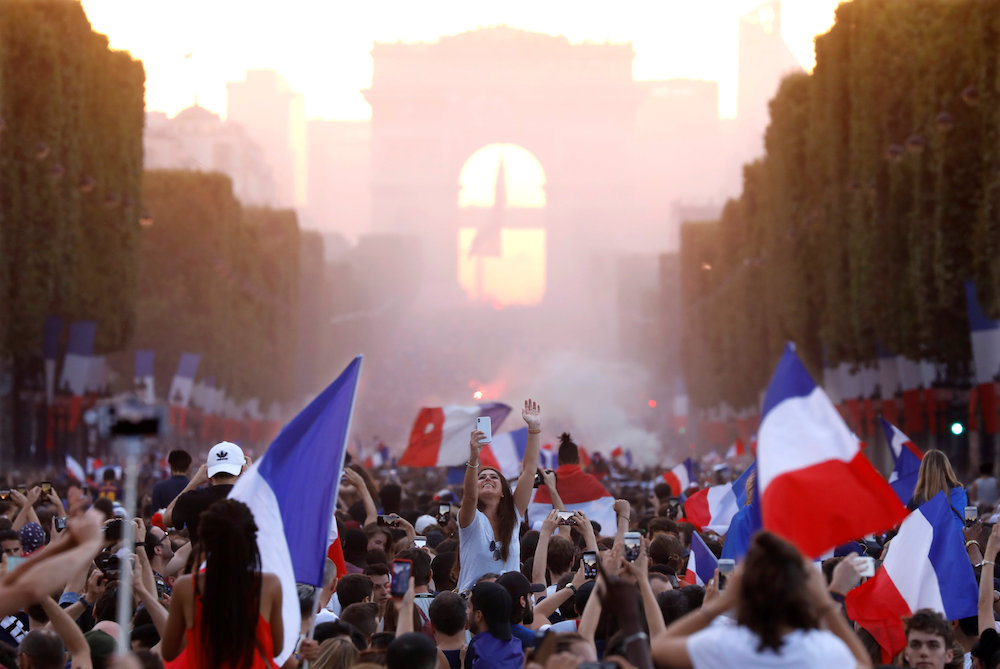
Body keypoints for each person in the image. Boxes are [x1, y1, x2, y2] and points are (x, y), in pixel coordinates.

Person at [651, 530, 872, 668]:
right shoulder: (823, 651)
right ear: (804, 591)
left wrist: (722, 602)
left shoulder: (723, 646)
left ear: (743, 590)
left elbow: (659, 646)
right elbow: (863, 663)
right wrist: (826, 599)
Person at [161, 499, 283, 668]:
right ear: (251, 540)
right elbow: (276, 649)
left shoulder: (186, 586)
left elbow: (168, 652)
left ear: (205, 541)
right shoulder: (270, 585)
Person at [457, 400, 542, 593]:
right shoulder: (470, 519)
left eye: (494, 477)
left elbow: (529, 471)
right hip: (475, 604)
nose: (487, 478)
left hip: (510, 604)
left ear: (504, 492)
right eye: (481, 477)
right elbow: (469, 497)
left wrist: (534, 430)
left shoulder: (513, 513)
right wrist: (473, 458)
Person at [162, 442, 246, 538]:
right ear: (242, 471)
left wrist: (194, 482)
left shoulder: (191, 499)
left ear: (207, 473)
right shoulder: (251, 499)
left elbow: (166, 519)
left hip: (201, 552)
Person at [465, 582, 524, 669]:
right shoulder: (516, 645)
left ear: (478, 615)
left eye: (469, 607)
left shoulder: (481, 657)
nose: (466, 612)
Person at [909, 450, 968, 524]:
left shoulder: (916, 500)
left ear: (923, 471)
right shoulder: (961, 492)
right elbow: (969, 522)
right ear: (947, 468)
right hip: (958, 535)